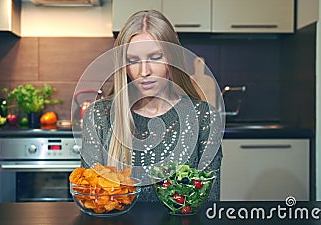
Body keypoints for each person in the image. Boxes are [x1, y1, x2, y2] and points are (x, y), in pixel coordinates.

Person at [79, 10, 223, 201]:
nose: (144, 71)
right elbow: (91, 199)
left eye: (155, 57)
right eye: (133, 60)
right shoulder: (99, 116)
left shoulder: (204, 117)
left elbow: (208, 202)